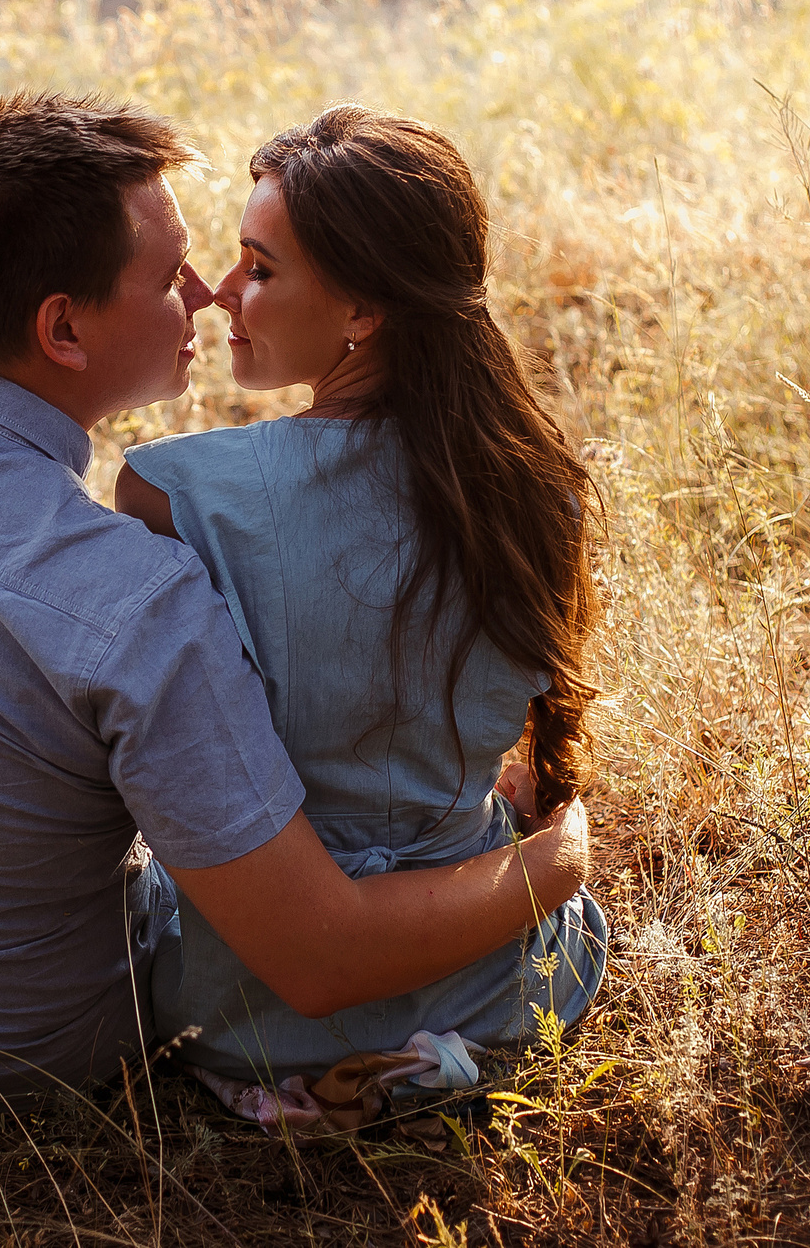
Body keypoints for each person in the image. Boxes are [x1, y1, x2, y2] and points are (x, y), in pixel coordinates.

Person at [0, 90, 593, 1098]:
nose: (206, 292)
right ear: (63, 329)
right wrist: (559, 862)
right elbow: (320, 954)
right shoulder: (137, 598)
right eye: (167, 275)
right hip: (28, 1072)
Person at [116, 105, 609, 1087]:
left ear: (362, 311)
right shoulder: (533, 485)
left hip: (235, 1001)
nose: (218, 294)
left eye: (258, 267)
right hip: (502, 983)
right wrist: (545, 845)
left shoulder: (176, 494)